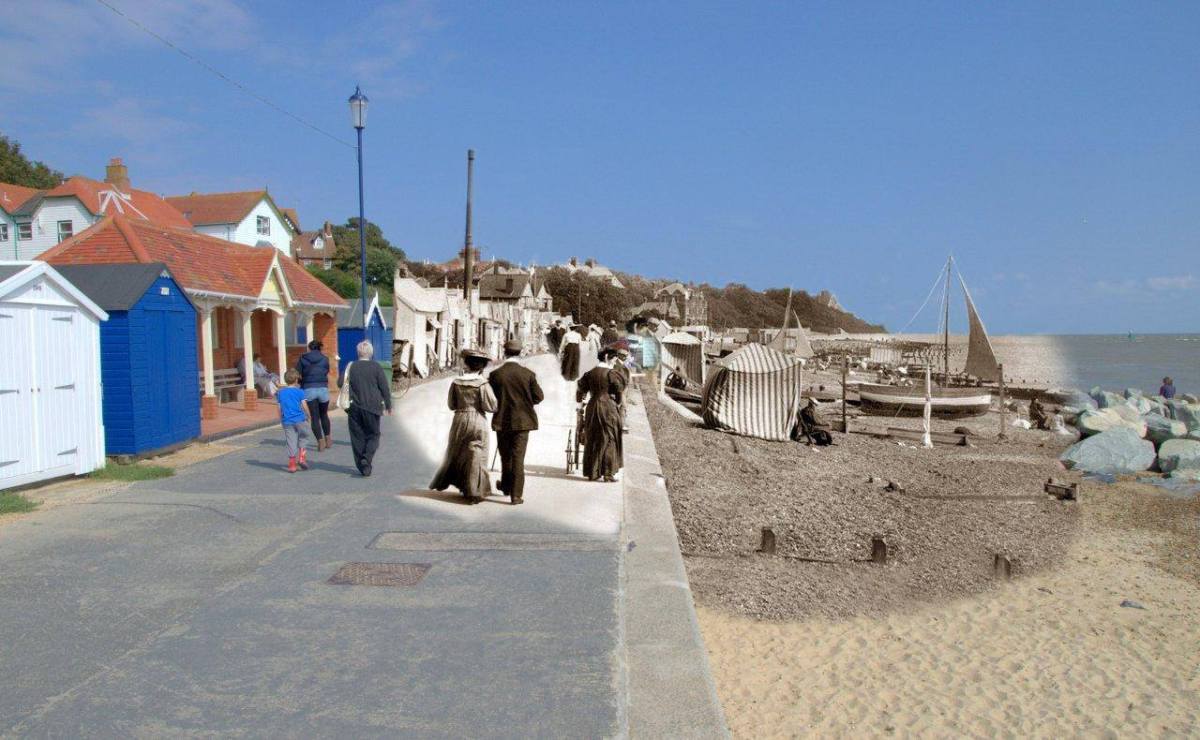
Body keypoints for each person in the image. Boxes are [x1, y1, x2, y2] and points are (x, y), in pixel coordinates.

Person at [430, 349, 498, 504]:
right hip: (478, 420)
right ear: (481, 367)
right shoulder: (483, 384)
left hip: (459, 419)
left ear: (466, 364)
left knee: (459, 453)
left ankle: (463, 485)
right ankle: (474, 491)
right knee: (477, 454)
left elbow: (451, 405)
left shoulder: (456, 382)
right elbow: (491, 406)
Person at [488, 340, 544, 505]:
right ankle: (516, 495)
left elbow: (491, 399)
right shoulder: (528, 374)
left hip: (502, 420)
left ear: (505, 353)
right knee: (518, 457)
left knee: (505, 456)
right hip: (523, 421)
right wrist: (527, 402)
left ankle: (506, 486)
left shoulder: (495, 375)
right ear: (520, 353)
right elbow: (539, 397)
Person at [339, 340, 393, 477]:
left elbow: (340, 383)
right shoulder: (376, 367)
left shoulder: (351, 366)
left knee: (357, 437)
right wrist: (388, 405)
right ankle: (367, 458)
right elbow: (384, 387)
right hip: (373, 407)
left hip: (354, 407)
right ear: (371, 353)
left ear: (358, 352)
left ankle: (364, 468)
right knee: (374, 435)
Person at [577, 349, 624, 481]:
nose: (615, 362)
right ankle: (608, 473)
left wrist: (580, 402)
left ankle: (593, 473)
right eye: (614, 359)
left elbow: (580, 388)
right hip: (608, 407)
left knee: (593, 437)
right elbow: (619, 390)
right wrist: (618, 403)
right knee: (610, 437)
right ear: (607, 357)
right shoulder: (611, 373)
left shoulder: (590, 373)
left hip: (592, 407)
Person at [296, 340, 333, 450]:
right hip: (322, 388)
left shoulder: (303, 358)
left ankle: (320, 441)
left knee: (314, 417)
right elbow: (326, 371)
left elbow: (298, 373)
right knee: (324, 415)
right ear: (319, 348)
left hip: (308, 388)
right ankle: (328, 439)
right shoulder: (325, 359)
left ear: (309, 348)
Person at [276, 369, 311, 473]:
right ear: (296, 380)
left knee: (291, 441)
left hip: (287, 420)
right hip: (300, 418)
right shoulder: (300, 392)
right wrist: (309, 415)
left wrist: (281, 419)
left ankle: (292, 464)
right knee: (304, 436)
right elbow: (304, 405)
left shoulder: (280, 393)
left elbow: (279, 408)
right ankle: (301, 458)